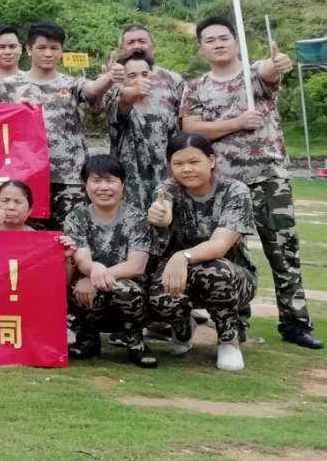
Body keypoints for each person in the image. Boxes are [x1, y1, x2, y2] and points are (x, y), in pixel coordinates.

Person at [180, 15, 319, 349]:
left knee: (283, 251)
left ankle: (295, 322)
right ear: (201, 48)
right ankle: (236, 322)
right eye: (210, 40)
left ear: (236, 41)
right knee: (232, 255)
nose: (218, 44)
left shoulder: (255, 74)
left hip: (268, 179)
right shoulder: (196, 87)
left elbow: (273, 71)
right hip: (225, 185)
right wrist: (238, 122)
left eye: (224, 37)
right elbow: (191, 128)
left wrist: (278, 63)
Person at [147, 133, 260, 371]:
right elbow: (163, 205)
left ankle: (229, 340)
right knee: (158, 298)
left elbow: (220, 245)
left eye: (193, 161)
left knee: (215, 270)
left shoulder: (235, 191)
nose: (186, 169)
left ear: (211, 160)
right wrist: (160, 214)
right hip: (181, 272)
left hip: (231, 275)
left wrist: (182, 256)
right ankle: (183, 329)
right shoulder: (169, 188)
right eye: (178, 163)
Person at [0, 23, 114, 227]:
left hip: (69, 178)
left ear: (61, 51)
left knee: (70, 236)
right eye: (42, 48)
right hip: (26, 177)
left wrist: (109, 79)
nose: (48, 53)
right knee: (29, 237)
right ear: (28, 49)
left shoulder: (72, 84)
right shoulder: (8, 86)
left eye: (54, 48)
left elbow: (92, 89)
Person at [62, 155, 155, 367]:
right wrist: (92, 268)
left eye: (110, 180)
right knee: (76, 287)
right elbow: (82, 258)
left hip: (129, 292)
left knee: (125, 289)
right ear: (85, 184)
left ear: (122, 184)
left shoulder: (137, 218)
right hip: (89, 292)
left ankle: (136, 342)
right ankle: (88, 338)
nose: (103, 187)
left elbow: (136, 266)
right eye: (96, 181)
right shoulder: (76, 217)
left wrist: (96, 277)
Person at [106, 50, 177, 212]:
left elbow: (173, 151)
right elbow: (124, 102)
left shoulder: (164, 110)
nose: (140, 80)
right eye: (132, 75)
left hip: (161, 188)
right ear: (122, 79)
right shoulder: (115, 105)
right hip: (128, 190)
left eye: (145, 74)